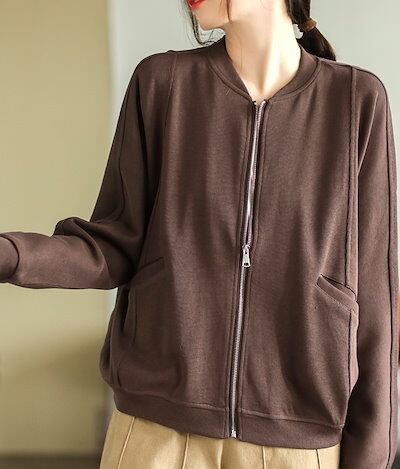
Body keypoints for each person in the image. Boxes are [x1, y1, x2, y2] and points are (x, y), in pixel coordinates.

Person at [0, 0, 398, 468]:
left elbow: (376, 299)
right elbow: (112, 244)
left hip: (297, 445)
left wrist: (369, 456)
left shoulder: (355, 101)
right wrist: (10, 254)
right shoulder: (162, 84)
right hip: (154, 437)